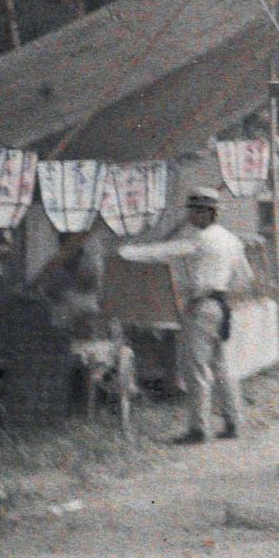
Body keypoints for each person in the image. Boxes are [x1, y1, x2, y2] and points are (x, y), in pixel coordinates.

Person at [117, 187, 250, 444]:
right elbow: (244, 279)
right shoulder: (232, 240)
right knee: (222, 367)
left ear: (205, 213)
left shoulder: (200, 240)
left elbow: (163, 251)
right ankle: (233, 421)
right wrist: (220, 291)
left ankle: (198, 429)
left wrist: (125, 252)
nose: (190, 217)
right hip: (221, 306)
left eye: (193, 212)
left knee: (196, 369)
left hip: (201, 307)